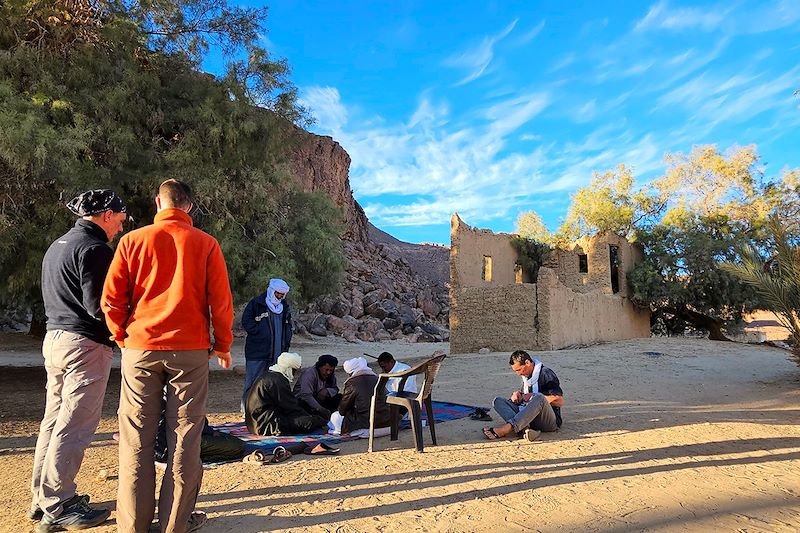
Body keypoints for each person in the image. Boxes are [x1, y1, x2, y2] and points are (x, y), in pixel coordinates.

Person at [101, 179, 233, 533]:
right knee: (185, 439)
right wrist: (222, 344)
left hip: (141, 349)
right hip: (189, 352)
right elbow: (220, 303)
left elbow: (112, 299)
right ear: (188, 206)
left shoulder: (131, 241)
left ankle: (133, 527)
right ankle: (175, 525)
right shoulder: (206, 244)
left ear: (158, 202)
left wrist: (121, 336)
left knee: (136, 439)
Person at [30, 190, 127, 531]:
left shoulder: (58, 245)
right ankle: (60, 504)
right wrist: (123, 335)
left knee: (53, 421)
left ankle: (41, 500)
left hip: (54, 340)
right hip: (84, 345)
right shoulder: (96, 250)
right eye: (119, 215)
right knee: (75, 426)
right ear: (104, 215)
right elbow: (99, 306)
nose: (121, 222)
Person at [483, 350, 564, 441]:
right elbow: (526, 396)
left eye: (519, 370)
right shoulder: (526, 376)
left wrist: (533, 396)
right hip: (527, 417)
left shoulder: (546, 374)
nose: (518, 374)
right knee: (498, 401)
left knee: (539, 398)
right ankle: (526, 429)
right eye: (516, 371)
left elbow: (560, 401)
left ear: (527, 363)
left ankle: (508, 428)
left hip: (547, 421)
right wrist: (518, 396)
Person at [245, 352, 328, 436]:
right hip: (266, 425)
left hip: (255, 423)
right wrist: (312, 418)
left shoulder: (270, 375)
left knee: (303, 405)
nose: (294, 374)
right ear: (288, 368)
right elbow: (290, 407)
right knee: (310, 422)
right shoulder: (278, 380)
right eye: (294, 370)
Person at [241, 278, 293, 405]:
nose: (280, 296)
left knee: (272, 381)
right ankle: (247, 408)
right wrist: (259, 333)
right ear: (271, 291)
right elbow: (246, 322)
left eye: (282, 294)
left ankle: (265, 407)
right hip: (258, 351)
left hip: (277, 352)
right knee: (253, 381)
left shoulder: (284, 307)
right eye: (277, 293)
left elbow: (288, 326)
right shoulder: (257, 303)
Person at [329, 357, 391, 438]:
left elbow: (342, 410)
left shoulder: (352, 383)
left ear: (351, 372)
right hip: (388, 424)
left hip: (367, 427)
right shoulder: (377, 379)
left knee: (335, 416)